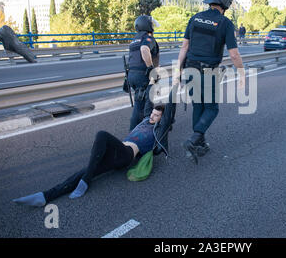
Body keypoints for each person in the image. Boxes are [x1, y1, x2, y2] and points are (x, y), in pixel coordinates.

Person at [12, 83, 178, 207]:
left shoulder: (157, 130)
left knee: (102, 135)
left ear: (161, 120)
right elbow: (148, 102)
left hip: (126, 154)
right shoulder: (144, 119)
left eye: (157, 116)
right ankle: (45, 196)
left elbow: (169, 111)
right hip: (116, 153)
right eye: (153, 114)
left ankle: (86, 180)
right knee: (84, 171)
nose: (152, 117)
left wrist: (176, 84)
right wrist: (151, 80)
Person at [176, 0, 245, 163]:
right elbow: (234, 54)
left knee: (198, 106)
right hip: (209, 71)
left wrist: (178, 71)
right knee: (212, 108)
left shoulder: (194, 18)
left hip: (190, 68)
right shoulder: (225, 23)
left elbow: (184, 47)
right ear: (226, 2)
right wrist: (242, 72)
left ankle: (200, 143)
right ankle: (195, 138)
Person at [127, 15, 160, 130]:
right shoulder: (147, 38)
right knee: (141, 106)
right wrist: (151, 68)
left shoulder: (135, 40)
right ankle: (134, 133)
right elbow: (144, 49)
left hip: (132, 75)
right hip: (143, 75)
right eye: (151, 23)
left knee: (146, 101)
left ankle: (149, 125)